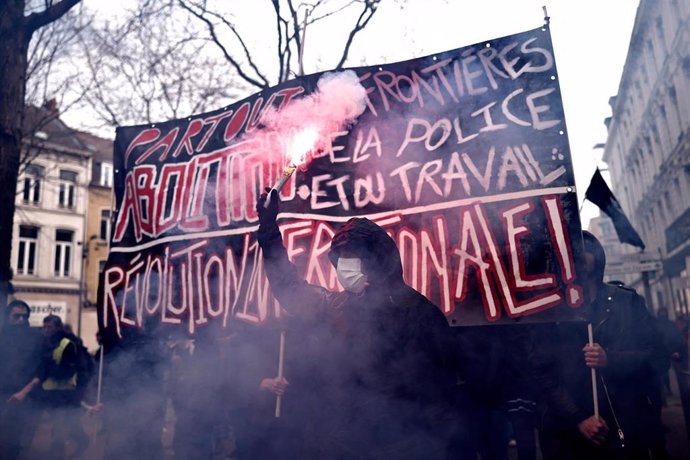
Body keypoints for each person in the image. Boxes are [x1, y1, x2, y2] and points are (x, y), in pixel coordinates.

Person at [256, 188, 455, 459]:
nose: (342, 269)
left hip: (406, 445)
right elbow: (288, 286)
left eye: (351, 258)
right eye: (338, 260)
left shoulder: (422, 314)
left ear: (378, 261)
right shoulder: (334, 306)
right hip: (344, 446)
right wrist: (268, 227)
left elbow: (443, 396)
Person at [538, 231, 669, 460]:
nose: (580, 254)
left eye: (586, 249)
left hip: (624, 429)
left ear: (598, 257)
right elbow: (542, 373)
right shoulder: (551, 309)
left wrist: (612, 360)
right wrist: (577, 419)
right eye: (572, 250)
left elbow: (658, 357)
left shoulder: (627, 302)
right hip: (569, 438)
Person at [10, 314, 89, 459]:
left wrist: (52, 370)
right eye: (44, 327)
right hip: (45, 393)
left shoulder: (68, 344)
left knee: (62, 429)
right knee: (32, 423)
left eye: (49, 327)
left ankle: (68, 450)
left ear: (58, 327)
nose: (46, 330)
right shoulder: (44, 343)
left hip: (63, 394)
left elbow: (72, 370)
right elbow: (39, 368)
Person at [0, 299, 41, 459]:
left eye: (24, 317)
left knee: (16, 445)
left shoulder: (35, 338)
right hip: (2, 394)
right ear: (8, 317)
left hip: (25, 397)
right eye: (16, 317)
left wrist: (24, 392)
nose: (21, 321)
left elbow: (42, 369)